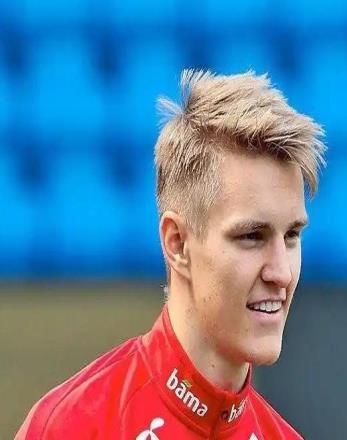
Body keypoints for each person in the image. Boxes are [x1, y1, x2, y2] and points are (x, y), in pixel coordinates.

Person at [15, 69, 326, 439]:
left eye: (291, 236)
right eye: (251, 237)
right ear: (177, 243)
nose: (282, 273)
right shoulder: (72, 426)